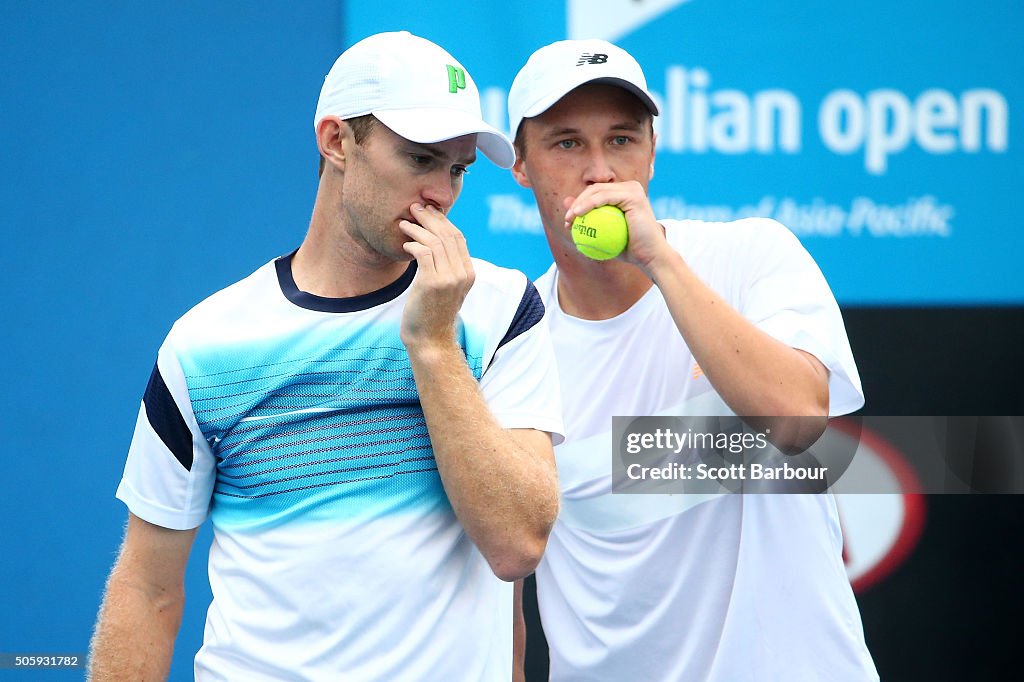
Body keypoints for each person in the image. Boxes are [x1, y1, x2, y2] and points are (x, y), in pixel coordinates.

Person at [88, 31, 563, 681]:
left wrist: (431, 344)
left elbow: (516, 544)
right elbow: (148, 588)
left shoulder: (503, 311)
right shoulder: (205, 344)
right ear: (337, 141)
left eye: (457, 169)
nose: (443, 193)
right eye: (420, 159)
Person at [507, 39, 879, 680]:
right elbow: (501, 592)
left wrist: (660, 262)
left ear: (652, 150)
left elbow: (796, 419)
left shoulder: (755, 255)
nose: (599, 171)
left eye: (621, 140)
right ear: (521, 164)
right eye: (566, 143)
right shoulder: (510, 339)